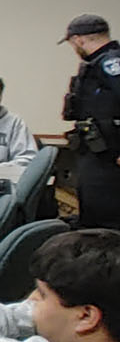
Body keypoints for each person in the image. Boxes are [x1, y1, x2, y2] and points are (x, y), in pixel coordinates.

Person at [63, 13, 120, 231]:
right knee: (92, 214)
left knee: (105, 222)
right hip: (97, 149)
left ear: (78, 39)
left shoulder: (111, 63)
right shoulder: (97, 64)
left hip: (109, 155)